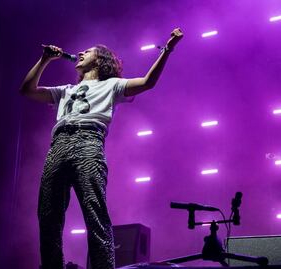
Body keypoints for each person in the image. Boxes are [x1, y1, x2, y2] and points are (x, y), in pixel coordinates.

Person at [20, 28, 183, 269]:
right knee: (48, 216)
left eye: (89, 51)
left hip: (88, 141)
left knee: (94, 211)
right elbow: (27, 90)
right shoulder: (66, 90)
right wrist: (45, 60)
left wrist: (168, 49)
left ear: (102, 60)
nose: (81, 52)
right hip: (58, 145)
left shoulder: (113, 85)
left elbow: (148, 82)